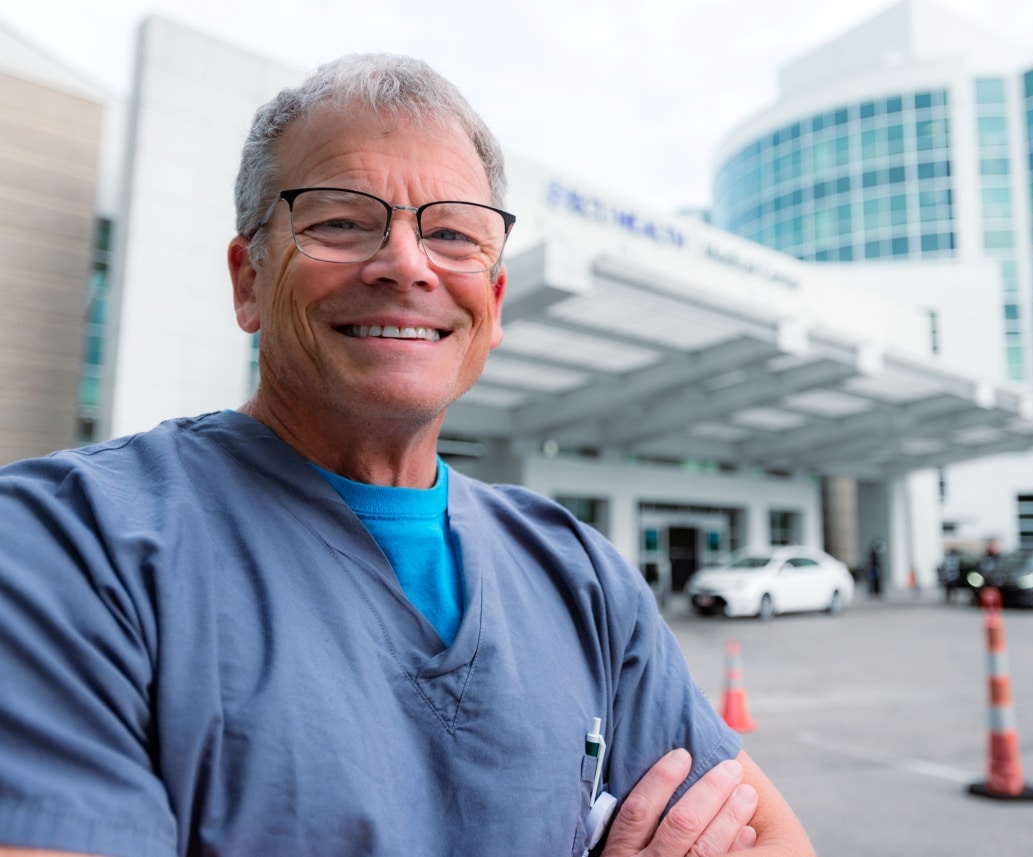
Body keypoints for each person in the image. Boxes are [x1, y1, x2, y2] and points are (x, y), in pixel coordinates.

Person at [0, 55, 813, 856]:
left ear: (493, 304)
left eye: (452, 233)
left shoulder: (580, 574)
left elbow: (774, 838)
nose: (405, 264)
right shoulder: (65, 547)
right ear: (248, 281)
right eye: (340, 222)